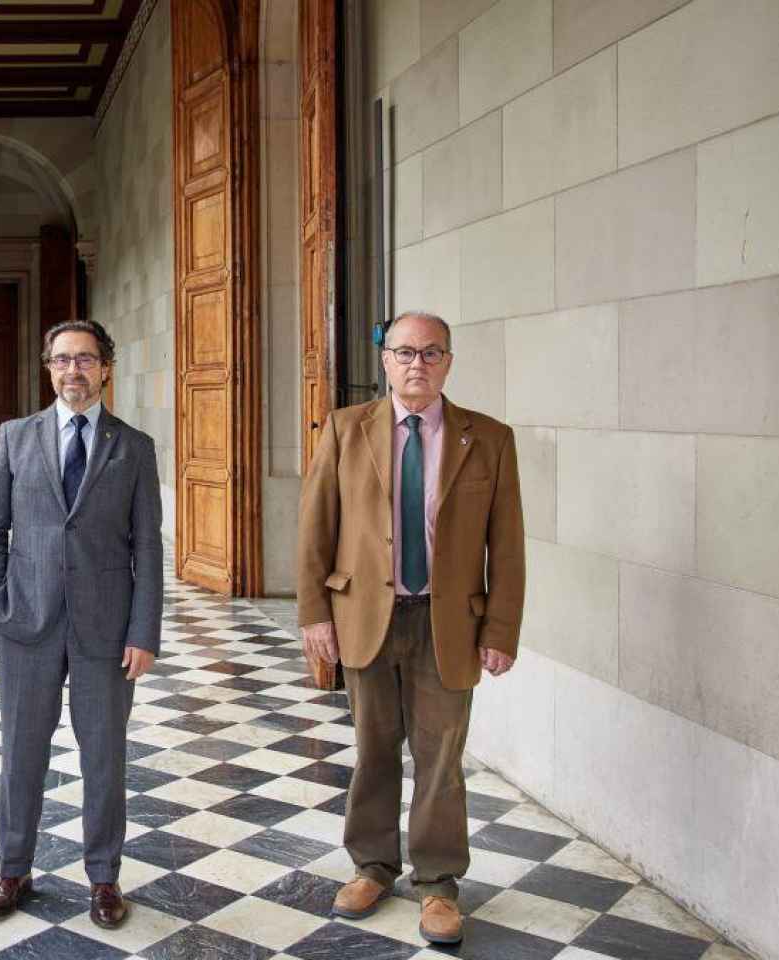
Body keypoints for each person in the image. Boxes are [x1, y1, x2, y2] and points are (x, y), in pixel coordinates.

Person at [296, 310, 525, 946]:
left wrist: (501, 627)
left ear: (448, 361)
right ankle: (372, 866)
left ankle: (439, 883)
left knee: (441, 756)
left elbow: (507, 544)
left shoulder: (490, 438)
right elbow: (316, 528)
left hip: (448, 621)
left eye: (430, 352)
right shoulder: (346, 429)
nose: (416, 363)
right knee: (373, 748)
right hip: (365, 615)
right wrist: (314, 614)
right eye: (404, 352)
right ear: (385, 360)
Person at [0, 319, 163, 930]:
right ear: (48, 369)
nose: (72, 371)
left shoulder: (133, 447)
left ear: (106, 367)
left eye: (84, 360)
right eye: (61, 361)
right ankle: (13, 868)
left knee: (104, 757)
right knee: (21, 752)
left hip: (106, 632)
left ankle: (104, 878)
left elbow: (148, 550)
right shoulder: (15, 436)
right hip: (25, 622)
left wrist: (143, 632)